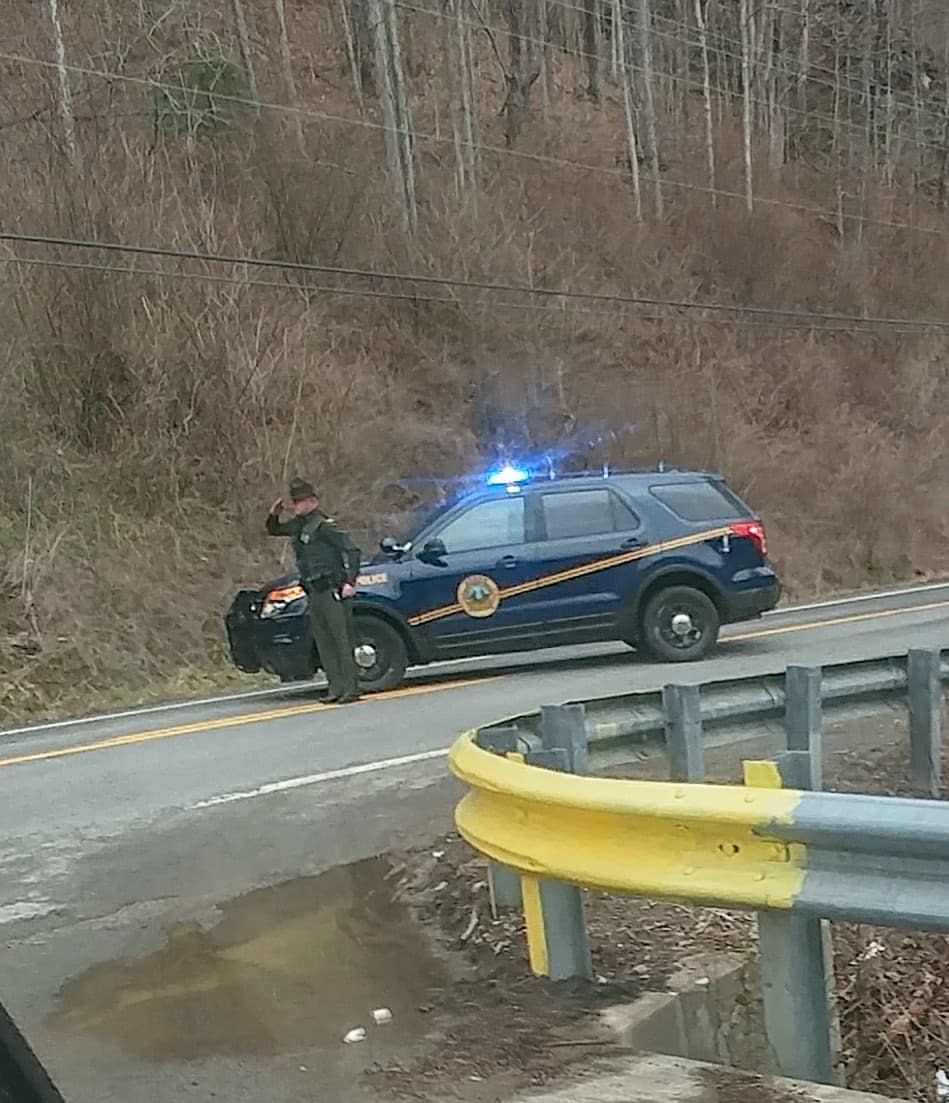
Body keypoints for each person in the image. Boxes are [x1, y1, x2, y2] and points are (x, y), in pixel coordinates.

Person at [266, 477, 362, 704]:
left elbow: (352, 551)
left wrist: (350, 581)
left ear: (312, 501)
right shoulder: (299, 525)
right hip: (313, 591)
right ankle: (335, 687)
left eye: (300, 502)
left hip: (332, 590)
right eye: (295, 502)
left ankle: (351, 687)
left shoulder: (325, 526)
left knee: (341, 639)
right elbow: (275, 529)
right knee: (324, 641)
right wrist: (273, 514)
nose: (297, 506)